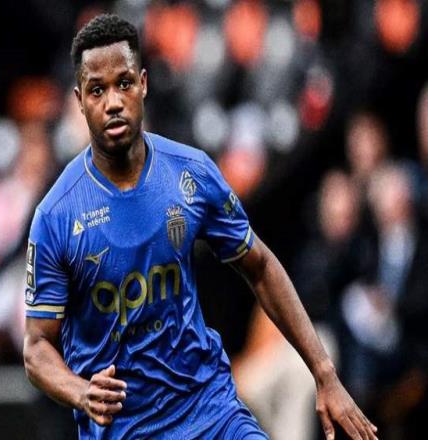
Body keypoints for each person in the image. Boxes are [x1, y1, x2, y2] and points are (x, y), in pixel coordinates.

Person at [23, 14, 378, 440]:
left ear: (144, 84)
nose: (113, 101)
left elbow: (261, 266)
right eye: (98, 90)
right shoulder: (57, 214)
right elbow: (37, 347)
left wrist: (324, 373)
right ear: (80, 101)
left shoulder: (190, 174)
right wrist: (81, 392)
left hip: (211, 411)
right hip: (127, 427)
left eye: (124, 83)